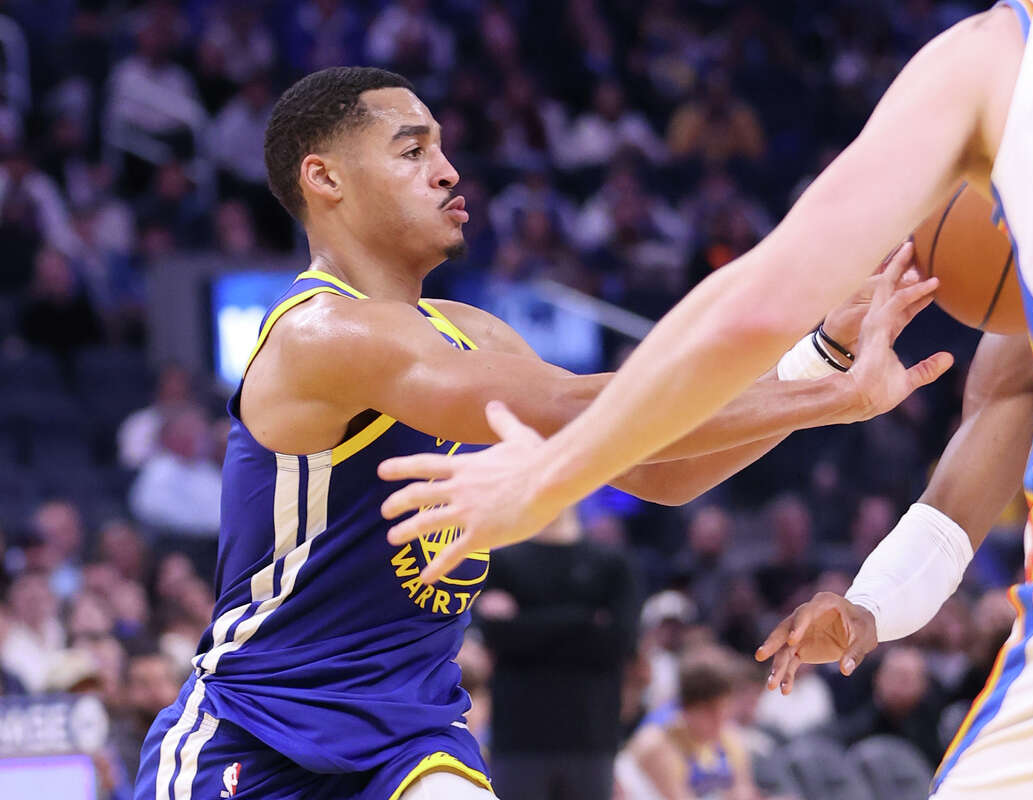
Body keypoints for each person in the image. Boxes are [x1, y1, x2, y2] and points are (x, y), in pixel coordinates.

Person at [380, 2, 1033, 797]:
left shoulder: (1005, 50)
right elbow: (994, 418)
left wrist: (547, 477)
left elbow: (754, 311)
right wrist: (872, 604)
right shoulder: (347, 332)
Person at [134, 66, 944, 800]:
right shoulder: (321, 337)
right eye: (413, 151)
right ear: (325, 179)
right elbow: (587, 409)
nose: (449, 171)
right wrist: (830, 397)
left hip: (413, 741)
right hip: (259, 732)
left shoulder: (473, 333)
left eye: (443, 149)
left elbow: (657, 469)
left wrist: (824, 357)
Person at [477, 506, 638, 800]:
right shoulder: (502, 562)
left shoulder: (612, 563)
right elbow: (498, 635)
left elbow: (617, 644)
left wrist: (524, 623)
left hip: (591, 739)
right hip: (518, 740)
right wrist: (584, 619)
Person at [620, 647, 761, 800]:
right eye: (711, 712)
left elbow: (743, 792)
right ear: (687, 708)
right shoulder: (656, 745)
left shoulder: (730, 738)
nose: (719, 721)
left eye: (724, 710)